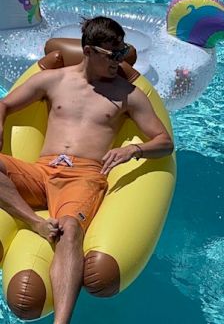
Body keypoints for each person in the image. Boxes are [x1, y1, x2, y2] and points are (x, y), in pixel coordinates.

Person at [0, 16, 174, 324]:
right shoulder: (54, 80)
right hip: (41, 171)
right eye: (113, 54)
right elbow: (5, 104)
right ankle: (31, 220)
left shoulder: (127, 95)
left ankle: (62, 322)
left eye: (123, 53)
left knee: (69, 230)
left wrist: (133, 149)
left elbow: (164, 142)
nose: (119, 61)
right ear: (89, 51)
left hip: (83, 177)